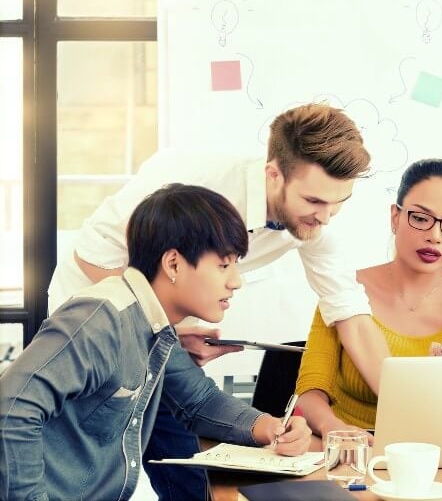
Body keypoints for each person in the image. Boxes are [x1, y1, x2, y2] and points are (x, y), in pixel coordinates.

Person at [45, 103, 390, 500]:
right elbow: (92, 257)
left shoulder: (314, 219)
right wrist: (160, 322)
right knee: (91, 463)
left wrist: (405, 414)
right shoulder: (190, 179)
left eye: (339, 202)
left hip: (159, 327)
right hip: (92, 316)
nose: (326, 217)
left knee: (190, 467)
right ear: (273, 174)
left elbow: (350, 315)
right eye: (314, 200)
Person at [0, 184, 312, 501]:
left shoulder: (154, 325)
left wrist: (270, 427)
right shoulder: (101, 319)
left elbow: (200, 401)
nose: (236, 281)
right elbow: (11, 408)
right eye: (224, 265)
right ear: (173, 264)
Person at [294, 159, 442, 436]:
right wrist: (335, 429)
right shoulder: (343, 288)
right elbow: (310, 389)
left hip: (436, 452)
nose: (435, 236)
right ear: (395, 217)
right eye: (421, 218)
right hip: (348, 452)